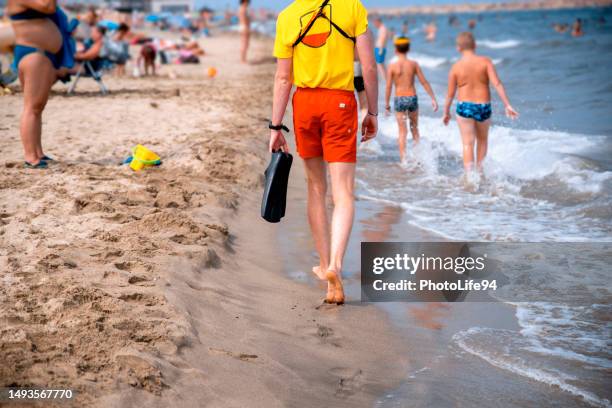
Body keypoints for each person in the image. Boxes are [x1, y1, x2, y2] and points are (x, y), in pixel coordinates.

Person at [270, 0, 378, 305]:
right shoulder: (352, 7)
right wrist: (373, 110)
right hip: (340, 103)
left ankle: (323, 262)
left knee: (316, 188)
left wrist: (275, 126)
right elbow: (368, 66)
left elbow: (283, 78)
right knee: (343, 193)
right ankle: (336, 266)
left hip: (304, 105)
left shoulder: (288, 16)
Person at [8, 0, 74, 168]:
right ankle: (31, 157)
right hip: (33, 53)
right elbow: (48, 6)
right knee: (32, 107)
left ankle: (38, 153)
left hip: (40, 54)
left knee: (37, 107)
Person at [443, 32, 518, 173]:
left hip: (464, 107)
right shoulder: (486, 62)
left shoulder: (455, 67)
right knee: (482, 141)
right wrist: (507, 104)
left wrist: (446, 112)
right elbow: (497, 83)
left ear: (458, 48)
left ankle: (470, 177)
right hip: (483, 107)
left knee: (467, 143)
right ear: (475, 45)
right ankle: (480, 173)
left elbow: (450, 94)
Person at [384, 37, 438, 163]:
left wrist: (387, 104)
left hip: (399, 99)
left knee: (402, 132)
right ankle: (417, 157)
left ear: (396, 49)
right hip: (412, 98)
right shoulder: (413, 64)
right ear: (408, 49)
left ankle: (404, 160)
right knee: (414, 128)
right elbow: (424, 82)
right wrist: (433, 98)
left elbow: (388, 87)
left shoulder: (392, 66)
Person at [372, 16, 388, 82]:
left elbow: (383, 39)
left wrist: (381, 49)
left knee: (379, 65)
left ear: (378, 22)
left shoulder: (383, 28)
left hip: (380, 48)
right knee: (381, 64)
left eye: (375, 23)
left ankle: (385, 79)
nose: (375, 25)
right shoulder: (381, 28)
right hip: (379, 48)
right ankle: (385, 79)